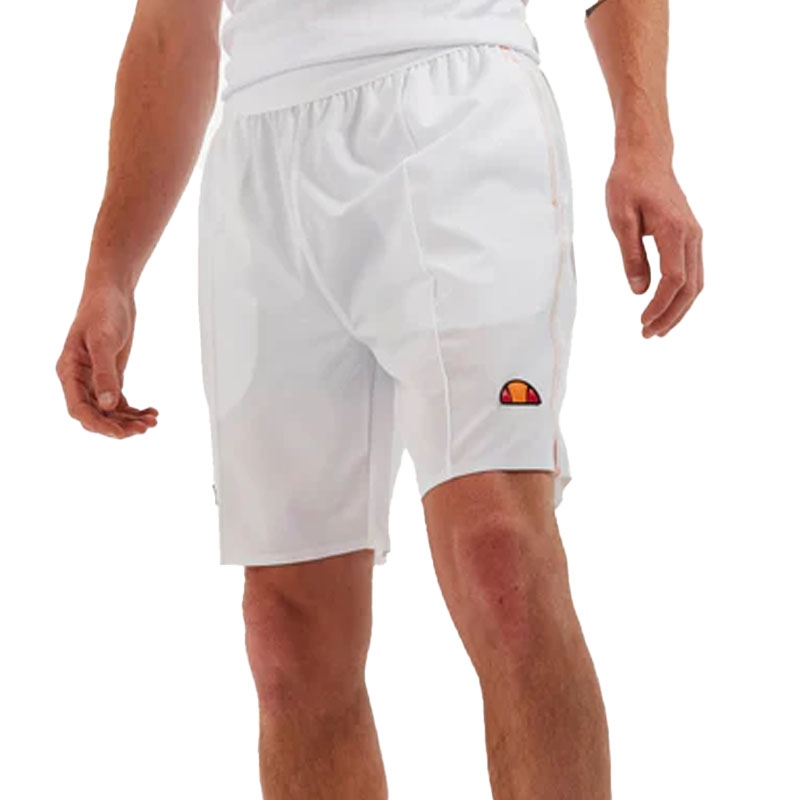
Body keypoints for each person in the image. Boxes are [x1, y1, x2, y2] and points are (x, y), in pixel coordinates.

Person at [55, 0, 703, 796]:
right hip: (261, 158)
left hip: (459, 108)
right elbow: (170, 29)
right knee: (287, 636)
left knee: (499, 554)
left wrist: (646, 142)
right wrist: (111, 271)